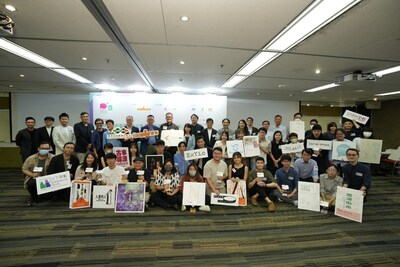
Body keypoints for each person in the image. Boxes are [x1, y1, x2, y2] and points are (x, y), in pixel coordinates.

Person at [22, 141, 54, 206]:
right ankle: (34, 197)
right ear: (38, 148)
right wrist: (32, 174)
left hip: (48, 178)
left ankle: (42, 195)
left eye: (46, 149)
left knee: (47, 197)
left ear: (49, 149)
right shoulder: (31, 158)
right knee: (31, 184)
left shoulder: (53, 158)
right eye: (42, 148)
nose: (44, 150)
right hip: (34, 177)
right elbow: (24, 169)